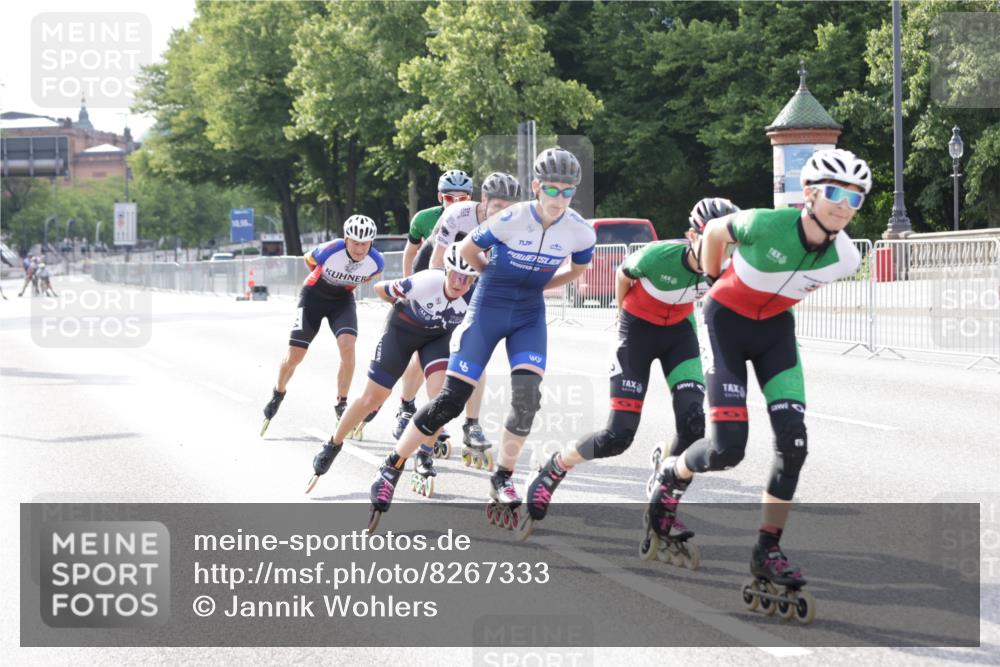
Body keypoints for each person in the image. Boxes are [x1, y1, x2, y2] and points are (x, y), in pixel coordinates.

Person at [649, 148, 871, 619]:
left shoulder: (846, 254)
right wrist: (711, 280)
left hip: (774, 333)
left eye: (855, 199)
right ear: (809, 194)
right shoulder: (765, 223)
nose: (843, 205)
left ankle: (766, 550)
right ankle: (672, 475)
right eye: (833, 193)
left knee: (794, 444)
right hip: (724, 323)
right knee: (727, 448)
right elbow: (713, 231)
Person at [365, 148, 596, 531]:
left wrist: (541, 286)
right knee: (451, 402)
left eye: (567, 192)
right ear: (536, 187)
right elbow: (467, 248)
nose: (558, 199)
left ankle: (502, 478)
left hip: (528, 315)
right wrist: (491, 277)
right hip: (488, 306)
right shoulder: (512, 217)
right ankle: (391, 467)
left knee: (527, 400)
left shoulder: (579, 230)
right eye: (551, 190)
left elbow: (580, 268)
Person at [518, 198, 741, 547]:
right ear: (692, 235)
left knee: (693, 424)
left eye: (729, 242)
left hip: (679, 336)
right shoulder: (659, 255)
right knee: (617, 436)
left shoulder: (728, 268)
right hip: (636, 333)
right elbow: (624, 273)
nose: (721, 250)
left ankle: (664, 493)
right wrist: (622, 315)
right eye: (713, 239)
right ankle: (555, 467)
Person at [306, 243, 480, 496]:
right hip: (401, 333)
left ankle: (424, 456)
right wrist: (400, 304)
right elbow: (379, 288)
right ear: (446, 271)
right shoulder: (424, 282)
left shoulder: (475, 296)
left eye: (467, 278)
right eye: (454, 274)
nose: (459, 282)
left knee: (441, 400)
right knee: (372, 398)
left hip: (436, 340)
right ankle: (333, 443)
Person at [426, 172, 522, 463]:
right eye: (498, 206)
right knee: (426, 342)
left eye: (509, 207)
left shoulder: (514, 224)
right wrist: (438, 295)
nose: (503, 213)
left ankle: (471, 424)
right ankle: (408, 406)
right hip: (443, 269)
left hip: (476, 278)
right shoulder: (458, 214)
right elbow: (436, 259)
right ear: (485, 201)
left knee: (474, 353)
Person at [260, 215, 383, 436]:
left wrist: (343, 284)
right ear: (346, 239)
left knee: (348, 346)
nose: (359, 248)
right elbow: (310, 261)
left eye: (364, 243)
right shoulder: (330, 249)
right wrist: (325, 280)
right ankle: (278, 392)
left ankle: (341, 403)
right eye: (355, 242)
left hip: (342, 300)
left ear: (371, 243)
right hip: (313, 296)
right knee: (295, 356)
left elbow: (370, 277)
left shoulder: (377, 261)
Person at [392, 170, 475, 442]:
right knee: (419, 355)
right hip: (429, 289)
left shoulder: (477, 219)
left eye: (462, 198)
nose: (455, 202)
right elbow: (411, 252)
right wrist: (408, 286)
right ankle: (406, 406)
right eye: (449, 198)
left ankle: (444, 417)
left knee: (456, 357)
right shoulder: (425, 218)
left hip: (460, 292)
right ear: (441, 197)